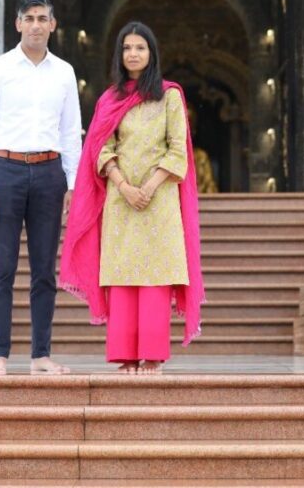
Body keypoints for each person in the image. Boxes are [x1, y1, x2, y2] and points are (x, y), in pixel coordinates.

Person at [60, 22, 205, 374]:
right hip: (120, 198)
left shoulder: (169, 95)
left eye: (140, 47)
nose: (133, 54)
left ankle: (153, 356)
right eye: (127, 48)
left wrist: (150, 187)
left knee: (155, 275)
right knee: (123, 274)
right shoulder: (111, 99)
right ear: (119, 55)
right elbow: (100, 148)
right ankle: (125, 355)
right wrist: (124, 186)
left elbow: (177, 151)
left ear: (151, 53)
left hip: (160, 199)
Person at [0, 0, 82, 375]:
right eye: (29, 18)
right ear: (17, 24)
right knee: (1, 267)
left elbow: (70, 133)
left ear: (53, 24)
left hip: (50, 173)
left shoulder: (64, 72)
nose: (36, 25)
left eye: (42, 18)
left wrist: (72, 183)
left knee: (44, 270)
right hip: (5, 170)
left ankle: (41, 355)